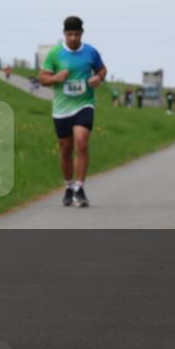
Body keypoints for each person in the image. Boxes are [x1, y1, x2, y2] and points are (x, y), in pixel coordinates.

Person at [39, 16, 107, 207]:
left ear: (82, 34)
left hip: (85, 104)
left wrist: (98, 78)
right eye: (70, 34)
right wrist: (56, 78)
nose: (73, 38)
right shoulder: (55, 53)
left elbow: (102, 70)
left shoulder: (91, 52)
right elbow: (43, 79)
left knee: (81, 142)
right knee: (66, 149)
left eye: (77, 34)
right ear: (64, 34)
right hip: (62, 108)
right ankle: (68, 186)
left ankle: (79, 188)